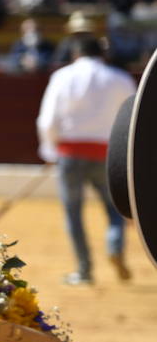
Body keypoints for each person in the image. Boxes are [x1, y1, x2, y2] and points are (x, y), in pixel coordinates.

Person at [36, 36, 137, 285]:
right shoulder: (120, 78)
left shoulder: (62, 77)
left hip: (70, 153)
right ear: (102, 54)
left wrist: (50, 150)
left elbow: (47, 120)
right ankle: (114, 245)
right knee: (114, 209)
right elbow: (133, 118)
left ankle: (84, 270)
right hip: (106, 154)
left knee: (73, 212)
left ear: (75, 54)